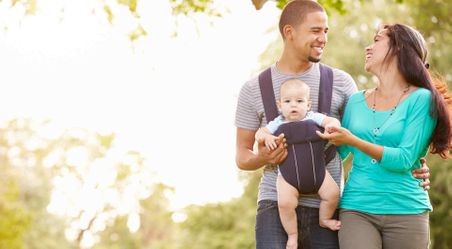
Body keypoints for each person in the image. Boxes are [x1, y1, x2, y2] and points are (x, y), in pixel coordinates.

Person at [235, 1, 431, 248]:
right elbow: (242, 156)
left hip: (328, 206)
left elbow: (367, 134)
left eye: (326, 31)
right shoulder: (253, 89)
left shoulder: (341, 82)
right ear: (289, 32)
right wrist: (264, 157)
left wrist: (415, 162)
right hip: (276, 203)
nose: (323, 39)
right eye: (316, 31)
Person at [317, 23, 451, 249]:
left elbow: (404, 159)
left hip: (407, 209)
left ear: (399, 48)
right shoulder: (356, 101)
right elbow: (338, 153)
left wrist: (353, 140)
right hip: (357, 208)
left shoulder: (422, 99)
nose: (368, 48)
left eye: (377, 40)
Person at [255, 78, 341, 249]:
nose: (293, 105)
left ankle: (324, 220)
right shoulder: (278, 123)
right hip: (288, 178)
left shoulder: (314, 117)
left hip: (319, 174)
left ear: (308, 105)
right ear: (280, 105)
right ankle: (292, 236)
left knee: (333, 194)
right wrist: (267, 137)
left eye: (299, 101)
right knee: (285, 204)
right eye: (288, 101)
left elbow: (332, 121)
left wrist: (332, 126)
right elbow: (260, 133)